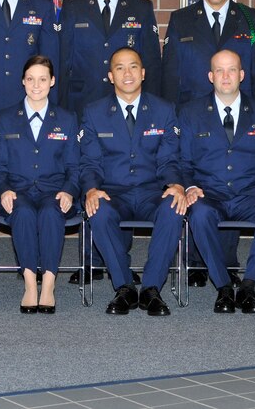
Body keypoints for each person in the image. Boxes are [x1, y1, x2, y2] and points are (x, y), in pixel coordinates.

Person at [162, 0, 255, 287]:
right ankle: (198, 263)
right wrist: (172, 125)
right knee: (202, 187)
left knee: (235, 182)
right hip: (194, 122)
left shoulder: (251, 19)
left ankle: (226, 262)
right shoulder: (181, 19)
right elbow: (170, 76)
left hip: (241, 119)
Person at [180, 50, 255, 314]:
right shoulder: (190, 112)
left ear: (241, 75)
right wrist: (190, 187)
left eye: (231, 70)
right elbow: (181, 162)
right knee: (200, 213)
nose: (226, 76)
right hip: (210, 194)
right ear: (211, 76)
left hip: (250, 195)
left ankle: (249, 285)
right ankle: (223, 286)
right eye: (219, 70)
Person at [79, 47, 185, 316]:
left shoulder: (163, 109)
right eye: (119, 68)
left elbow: (170, 159)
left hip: (152, 192)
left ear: (144, 72)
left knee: (174, 206)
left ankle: (151, 289)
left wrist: (175, 184)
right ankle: (124, 286)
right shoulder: (94, 112)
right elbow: (89, 162)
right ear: (110, 76)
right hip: (114, 193)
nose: (127, 73)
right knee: (98, 210)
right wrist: (92, 189)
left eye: (133, 66)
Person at [0, 55, 78, 314]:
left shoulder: (66, 118)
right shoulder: (5, 118)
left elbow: (74, 167)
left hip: (53, 191)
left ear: (52, 82)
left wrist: (69, 191)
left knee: (52, 213)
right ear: (23, 81)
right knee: (24, 212)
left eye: (43, 79)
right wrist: (4, 189)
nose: (36, 85)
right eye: (30, 79)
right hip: (18, 191)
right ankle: (30, 284)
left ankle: (49, 285)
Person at [59, 0, 161, 118]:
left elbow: (151, 63)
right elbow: (62, 61)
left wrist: (152, 110)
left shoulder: (141, 8)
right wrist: (59, 109)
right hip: (82, 103)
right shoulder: (73, 7)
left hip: (129, 105)